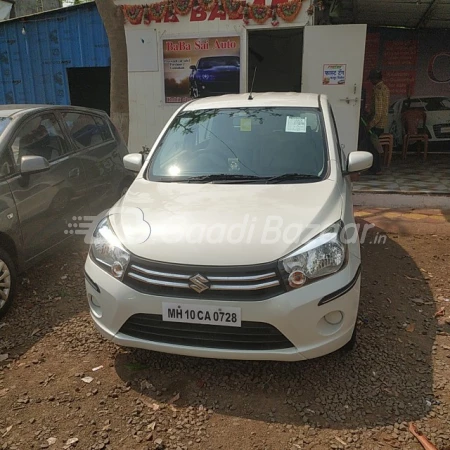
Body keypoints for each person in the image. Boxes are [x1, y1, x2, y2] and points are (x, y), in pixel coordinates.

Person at [367, 69, 390, 174]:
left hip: (377, 124)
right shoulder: (385, 88)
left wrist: (370, 124)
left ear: (375, 79)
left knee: (372, 145)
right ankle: (374, 168)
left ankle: (376, 169)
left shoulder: (378, 90)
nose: (371, 82)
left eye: (371, 79)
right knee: (373, 144)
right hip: (381, 123)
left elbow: (379, 112)